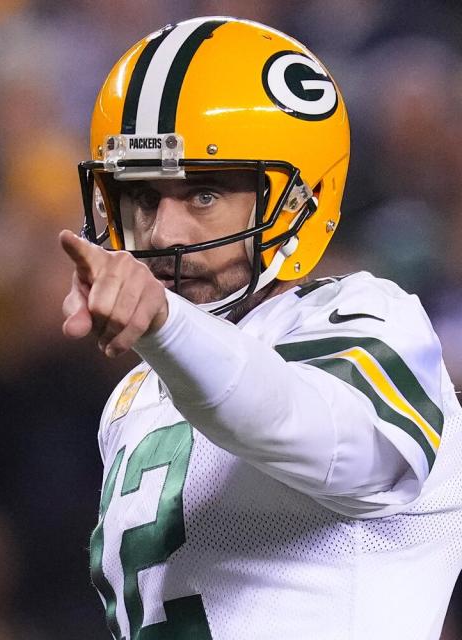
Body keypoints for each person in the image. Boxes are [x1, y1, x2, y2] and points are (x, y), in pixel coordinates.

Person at [61, 15, 462, 640]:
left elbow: (313, 428)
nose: (164, 233)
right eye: (142, 196)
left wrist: (166, 325)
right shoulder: (133, 398)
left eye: (202, 195)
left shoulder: (374, 320)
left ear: (300, 201)